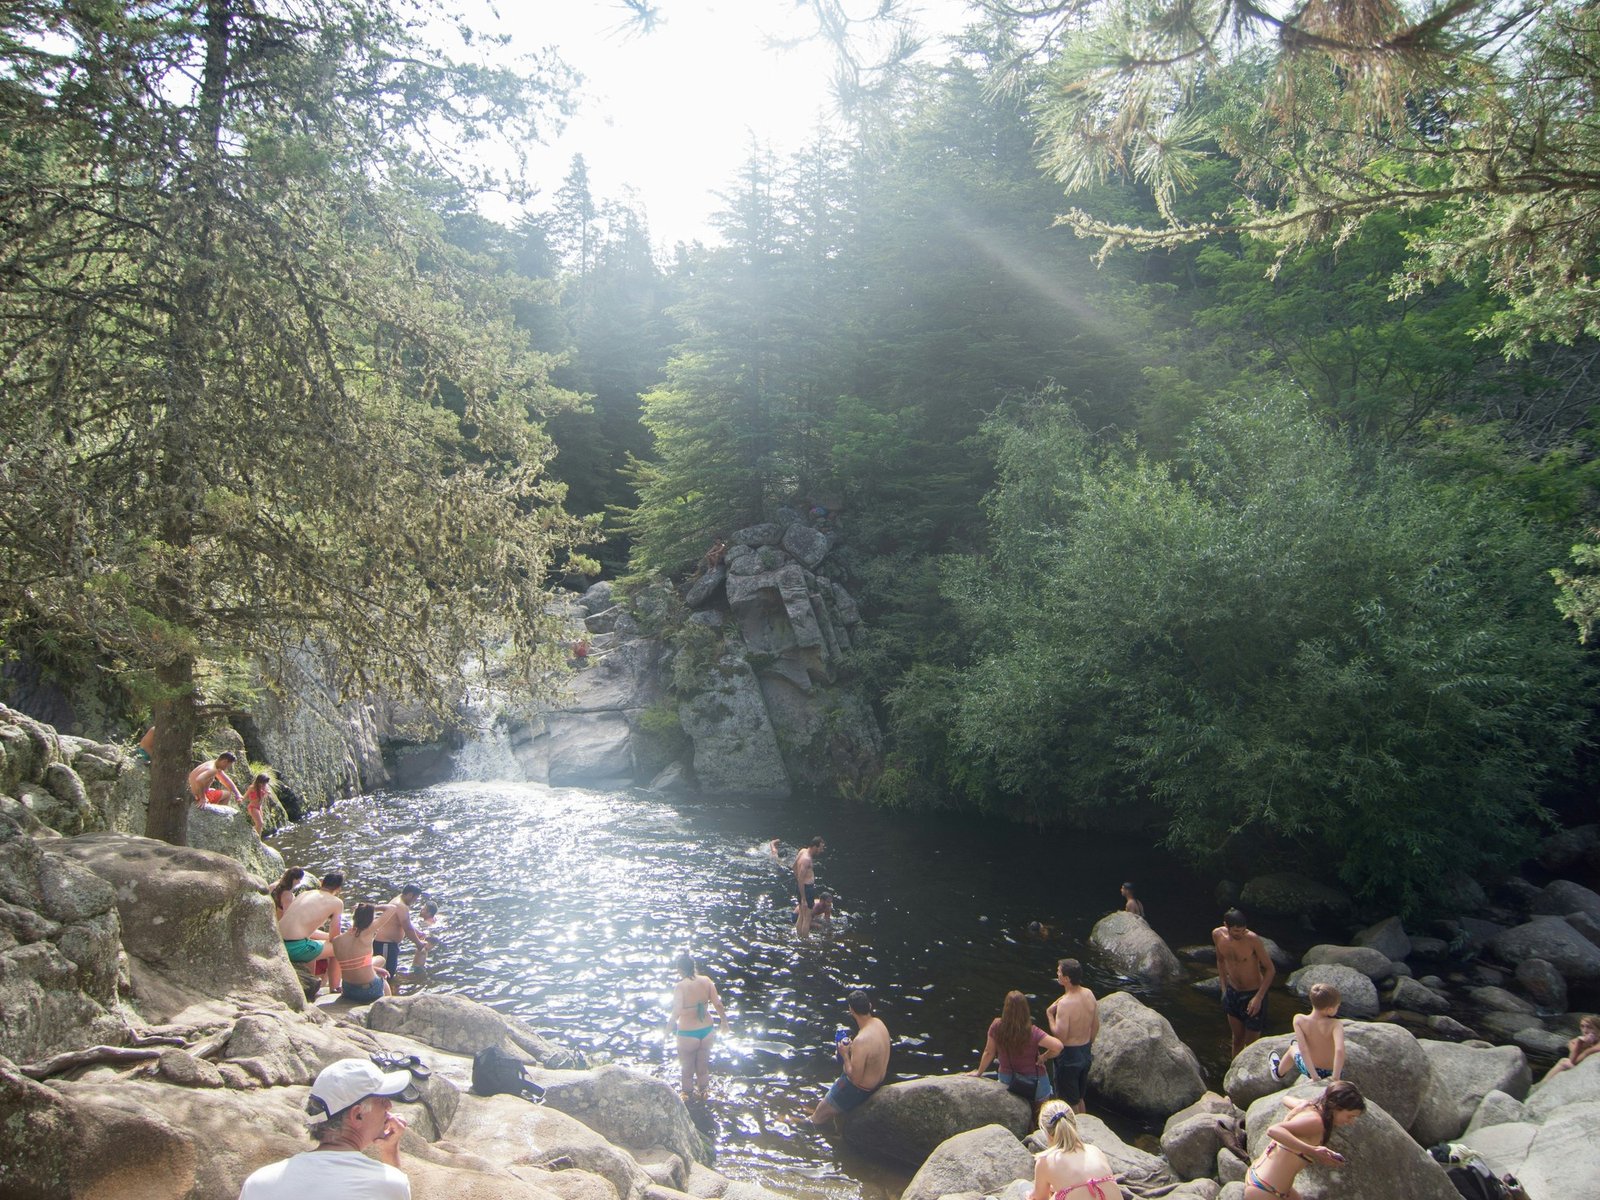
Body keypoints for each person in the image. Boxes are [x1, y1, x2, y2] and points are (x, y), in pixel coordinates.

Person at [238, 1057, 414, 1198]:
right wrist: (390, 1153)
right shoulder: (388, 1184)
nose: (389, 1107)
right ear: (358, 1115)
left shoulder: (259, 1182)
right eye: (382, 1100)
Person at [1242, 1081, 1365, 1200]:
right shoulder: (1316, 1121)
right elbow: (1273, 1130)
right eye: (1350, 1116)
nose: (1351, 1122)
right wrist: (1313, 1151)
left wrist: (1301, 1104)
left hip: (1270, 1185)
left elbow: (1286, 1099)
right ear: (1335, 1107)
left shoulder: (1312, 1109)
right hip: (1264, 1190)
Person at [971, 989, 1063, 1107]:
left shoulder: (996, 1026)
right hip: (1035, 1082)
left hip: (1008, 1080)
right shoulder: (1032, 1031)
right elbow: (1058, 1046)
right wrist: (1044, 1057)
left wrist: (979, 1072)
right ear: (1025, 1009)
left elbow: (989, 1052)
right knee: (1041, 1113)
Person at [810, 991, 890, 1123]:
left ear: (851, 1010)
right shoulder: (879, 1024)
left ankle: (807, 1120)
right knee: (827, 1105)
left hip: (859, 1089)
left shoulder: (861, 1040)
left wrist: (845, 1054)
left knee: (817, 1117)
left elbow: (855, 1079)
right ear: (869, 1006)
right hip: (877, 1082)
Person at [1028, 1101, 1123, 1200]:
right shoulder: (1095, 1150)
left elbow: (1040, 1198)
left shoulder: (1045, 1160)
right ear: (1074, 1125)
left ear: (1047, 1134)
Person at [1214, 908, 1275, 1059]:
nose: (1240, 934)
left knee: (1251, 1044)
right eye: (1236, 931)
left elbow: (1270, 970)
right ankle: (1232, 1075)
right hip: (1233, 992)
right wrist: (1223, 989)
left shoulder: (1253, 940)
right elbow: (1220, 961)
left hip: (1253, 993)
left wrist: (1258, 998)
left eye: (1243, 930)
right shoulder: (1217, 935)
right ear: (1226, 926)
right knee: (1237, 1039)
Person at [672, 952, 727, 1101]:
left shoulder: (680, 986)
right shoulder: (707, 981)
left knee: (687, 1071)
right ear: (693, 966)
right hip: (707, 1031)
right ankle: (705, 1093)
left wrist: (666, 1031)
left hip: (687, 1034)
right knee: (703, 1070)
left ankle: (687, 1097)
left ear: (680, 970)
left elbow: (676, 1012)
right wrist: (724, 1022)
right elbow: (718, 1004)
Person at [1046, 958, 1098, 1114]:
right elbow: (1095, 1025)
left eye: (1059, 972)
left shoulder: (1065, 1004)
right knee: (1080, 1097)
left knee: (1069, 1101)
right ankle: (1086, 1126)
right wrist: (1089, 1043)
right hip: (1085, 1050)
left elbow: (1060, 1036)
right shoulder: (1089, 994)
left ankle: (1074, 1133)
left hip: (1069, 1056)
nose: (1057, 973)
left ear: (1067, 978)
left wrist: (1049, 1015)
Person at [279, 871, 346, 991]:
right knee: (338, 948)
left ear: (321, 882)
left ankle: (311, 984)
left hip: (278, 942)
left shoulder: (305, 894)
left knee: (312, 943)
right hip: (294, 948)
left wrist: (325, 937)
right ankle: (335, 988)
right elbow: (334, 938)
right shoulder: (337, 903)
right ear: (338, 889)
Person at [1270, 983, 1344, 1084]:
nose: (1337, 1009)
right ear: (1330, 1009)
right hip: (1331, 1072)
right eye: (1337, 1007)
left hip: (1314, 1071)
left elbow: (1303, 1049)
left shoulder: (1299, 1020)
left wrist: (1315, 1077)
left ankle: (1278, 1073)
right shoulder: (1336, 1024)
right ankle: (1334, 1075)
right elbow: (1339, 1050)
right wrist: (1335, 1078)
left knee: (1293, 1048)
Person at [330, 903, 392, 1005]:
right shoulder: (366, 933)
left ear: (354, 917)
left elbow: (352, 964)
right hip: (368, 991)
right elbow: (392, 908)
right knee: (384, 983)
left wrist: (375, 969)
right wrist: (373, 908)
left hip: (348, 990)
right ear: (370, 921)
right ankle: (388, 1007)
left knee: (380, 959)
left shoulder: (336, 940)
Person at [369, 885, 429, 979]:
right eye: (415, 899)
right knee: (385, 975)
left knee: (389, 972)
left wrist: (417, 932)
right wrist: (418, 943)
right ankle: (384, 993)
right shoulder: (400, 905)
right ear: (410, 895)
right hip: (385, 944)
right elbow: (407, 928)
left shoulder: (399, 901)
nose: (414, 902)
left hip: (388, 945)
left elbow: (405, 922)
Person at [1542, 1013, 1600, 1081]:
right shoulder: (1575, 1041)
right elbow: (1572, 1058)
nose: (1585, 1031)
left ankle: (1541, 1084)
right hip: (1584, 1067)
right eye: (1582, 1026)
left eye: (1590, 1027)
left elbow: (1573, 1062)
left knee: (1564, 1062)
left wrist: (1579, 1044)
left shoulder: (1597, 1047)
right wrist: (1579, 1043)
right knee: (1563, 1059)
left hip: (1593, 1071)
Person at [409, 902, 440, 973]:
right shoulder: (434, 919)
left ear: (428, 913)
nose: (421, 910)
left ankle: (416, 971)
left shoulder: (424, 924)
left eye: (423, 909)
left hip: (427, 938)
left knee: (421, 950)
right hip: (431, 937)